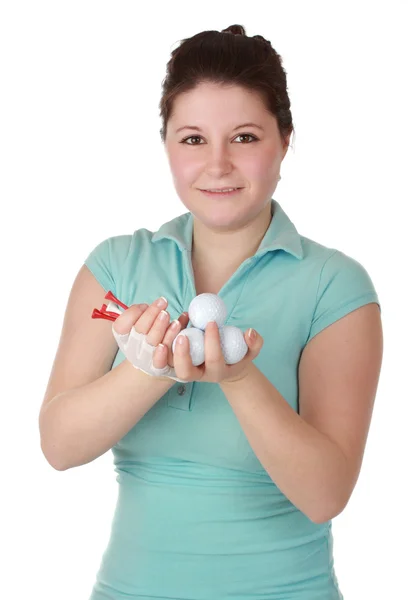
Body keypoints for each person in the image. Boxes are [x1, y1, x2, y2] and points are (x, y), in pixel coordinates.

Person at [38, 24, 383, 600]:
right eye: (193, 139)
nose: (217, 164)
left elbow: (326, 494)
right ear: (168, 144)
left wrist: (241, 377)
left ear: (285, 139)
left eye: (245, 137)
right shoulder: (117, 266)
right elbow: (58, 446)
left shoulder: (334, 285)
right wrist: (145, 371)